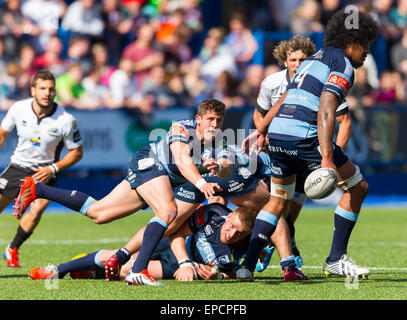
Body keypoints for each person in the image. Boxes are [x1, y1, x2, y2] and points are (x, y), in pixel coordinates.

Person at [14, 98, 234, 285]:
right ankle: (138, 270)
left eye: (219, 121)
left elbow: (226, 168)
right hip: (149, 163)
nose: (214, 125)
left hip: (161, 177)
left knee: (99, 213)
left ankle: (37, 189)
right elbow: (181, 157)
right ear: (198, 120)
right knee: (167, 211)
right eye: (210, 120)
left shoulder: (218, 143)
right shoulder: (182, 127)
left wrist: (222, 166)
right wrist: (200, 181)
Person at [238, 9, 378, 281]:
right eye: (365, 44)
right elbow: (327, 107)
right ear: (350, 43)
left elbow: (285, 96)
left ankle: (246, 264)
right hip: (305, 138)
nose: (368, 51)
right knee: (358, 188)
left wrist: (262, 129)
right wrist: (326, 157)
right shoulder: (343, 66)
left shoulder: (314, 59)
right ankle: (336, 259)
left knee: (278, 201)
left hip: (279, 136)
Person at [104, 145, 309, 282]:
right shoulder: (278, 161)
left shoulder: (260, 148)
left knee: (168, 222)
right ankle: (288, 267)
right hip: (230, 174)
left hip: (202, 173)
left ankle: (122, 255)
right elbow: (283, 210)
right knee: (274, 210)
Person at [255, 35, 353, 271]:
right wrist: (266, 136)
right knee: (276, 203)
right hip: (277, 148)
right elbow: (259, 116)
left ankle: (278, 245)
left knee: (292, 207)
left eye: (302, 59)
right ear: (284, 61)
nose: (297, 64)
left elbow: (344, 121)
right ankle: (278, 249)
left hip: (308, 148)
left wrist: (330, 157)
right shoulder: (272, 83)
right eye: (293, 59)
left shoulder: (319, 78)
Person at [29, 203, 256, 282]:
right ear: (229, 215)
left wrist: (216, 275)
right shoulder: (214, 214)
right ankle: (59, 269)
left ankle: (89, 271)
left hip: (176, 267)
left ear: (245, 236)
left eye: (238, 233)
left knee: (125, 272)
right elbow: (177, 232)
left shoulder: (245, 250)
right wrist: (186, 261)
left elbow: (243, 275)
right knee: (118, 256)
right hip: (172, 246)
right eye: (231, 225)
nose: (231, 233)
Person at [0, 69, 83, 267]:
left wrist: (53, 168)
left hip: (45, 172)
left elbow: (77, 153)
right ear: (33, 90)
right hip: (18, 166)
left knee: (36, 211)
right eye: (43, 88)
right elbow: (2, 135)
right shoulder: (18, 109)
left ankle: (12, 248)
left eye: (51, 89)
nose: (47, 93)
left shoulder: (66, 120)